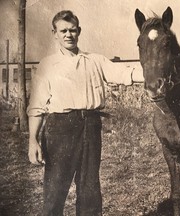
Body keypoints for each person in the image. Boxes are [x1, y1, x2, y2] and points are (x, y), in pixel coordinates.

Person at [27, 10, 143, 215]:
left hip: (90, 126)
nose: (68, 35)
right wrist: (33, 141)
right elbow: (36, 107)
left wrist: (157, 73)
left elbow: (126, 73)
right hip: (60, 128)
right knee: (55, 189)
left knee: (90, 187)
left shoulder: (95, 60)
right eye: (63, 31)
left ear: (79, 31)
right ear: (54, 33)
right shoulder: (47, 65)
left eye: (72, 30)